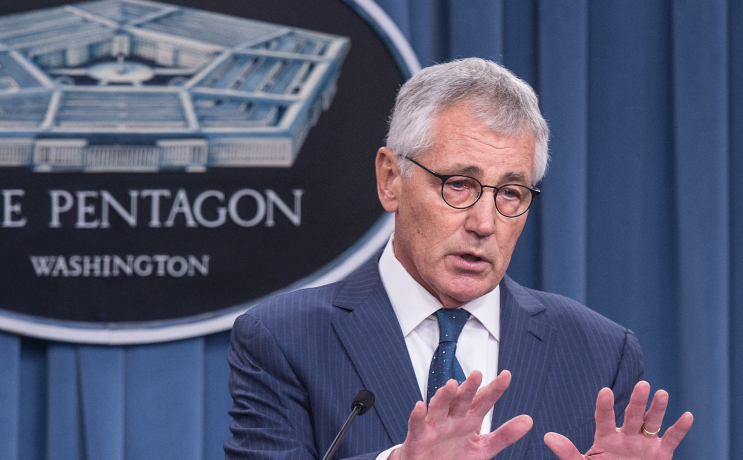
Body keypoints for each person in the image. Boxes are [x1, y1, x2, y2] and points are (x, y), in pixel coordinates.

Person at [224, 58, 693, 460]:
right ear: (391, 179)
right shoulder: (284, 338)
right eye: (459, 185)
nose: (484, 223)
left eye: (511, 192)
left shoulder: (599, 351)